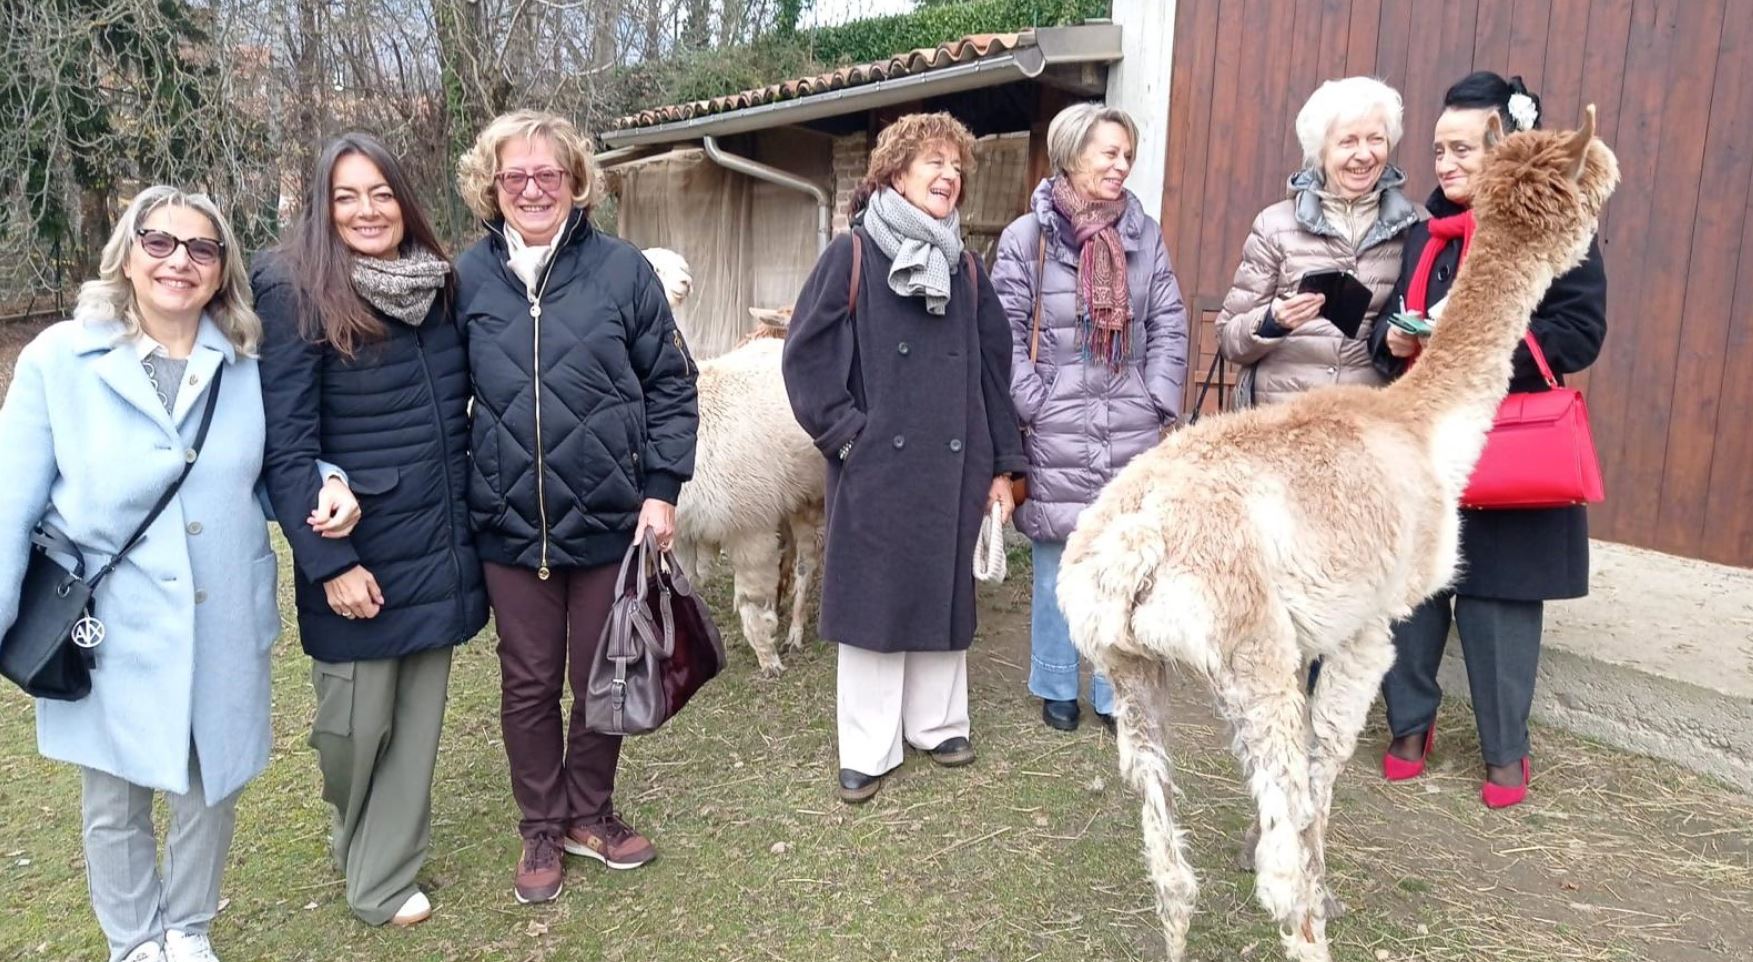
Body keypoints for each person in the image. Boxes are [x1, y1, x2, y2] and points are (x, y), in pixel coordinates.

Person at [0, 186, 279, 962]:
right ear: (126, 252)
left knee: (208, 782)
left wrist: (324, 479)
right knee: (114, 795)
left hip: (221, 606)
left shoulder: (246, 362)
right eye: (159, 243)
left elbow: (277, 469)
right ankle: (133, 942)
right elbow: (8, 503)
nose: (178, 262)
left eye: (201, 248)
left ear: (222, 270)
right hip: (107, 621)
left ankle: (187, 930)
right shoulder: (62, 358)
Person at [454, 109, 699, 904]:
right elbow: (436, 399)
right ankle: (540, 822)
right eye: (514, 176)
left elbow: (670, 387)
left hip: (608, 517)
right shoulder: (467, 280)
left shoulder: (623, 273)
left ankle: (590, 811)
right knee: (527, 683)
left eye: (547, 175)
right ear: (492, 187)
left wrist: (661, 489)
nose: (531, 188)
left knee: (603, 675)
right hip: (507, 523)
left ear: (575, 182)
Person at [253, 132, 489, 927]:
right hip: (357, 548)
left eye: (380, 193)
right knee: (352, 731)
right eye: (346, 196)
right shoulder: (296, 291)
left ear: (405, 201)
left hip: (439, 538)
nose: (365, 211)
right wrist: (330, 563)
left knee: (415, 729)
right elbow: (285, 445)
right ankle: (355, 830)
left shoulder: (441, 287)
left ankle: (381, 878)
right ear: (323, 207)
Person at [1370, 73, 1607, 809]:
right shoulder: (1424, 235)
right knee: (1412, 593)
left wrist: (1476, 339)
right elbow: (1388, 327)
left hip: (1508, 436)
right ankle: (1409, 724)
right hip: (1427, 441)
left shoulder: (1552, 223)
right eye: (1438, 150)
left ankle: (1506, 750)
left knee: (1496, 600)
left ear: (1504, 147)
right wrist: (1398, 341)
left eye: (1462, 148)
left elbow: (1578, 330)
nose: (1445, 164)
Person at [783, 112, 1028, 805]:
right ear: (894, 173)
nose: (948, 175)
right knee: (873, 604)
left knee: (943, 593)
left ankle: (937, 724)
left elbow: (991, 374)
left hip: (954, 460)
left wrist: (1003, 466)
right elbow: (805, 358)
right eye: (933, 163)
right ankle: (867, 747)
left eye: (955, 166)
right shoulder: (853, 254)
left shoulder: (968, 271)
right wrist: (848, 437)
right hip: (874, 462)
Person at [991, 102, 1189, 733]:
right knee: (1056, 561)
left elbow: (1169, 321)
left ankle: (1112, 689)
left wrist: (1155, 395)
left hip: (1130, 421)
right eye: (1109, 152)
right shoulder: (1030, 239)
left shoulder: (1143, 233)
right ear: (1072, 154)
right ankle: (1055, 681)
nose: (1121, 164)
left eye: (1127, 154)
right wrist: (1036, 400)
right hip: (1056, 422)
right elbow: (1002, 330)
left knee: (1122, 564)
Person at [1215, 76, 1420, 406]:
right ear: (1321, 150)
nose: (1364, 155)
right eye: (1348, 142)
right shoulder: (1276, 225)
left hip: (1368, 425)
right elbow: (1228, 338)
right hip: (1284, 426)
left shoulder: (1416, 227)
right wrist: (1273, 321)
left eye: (1375, 140)